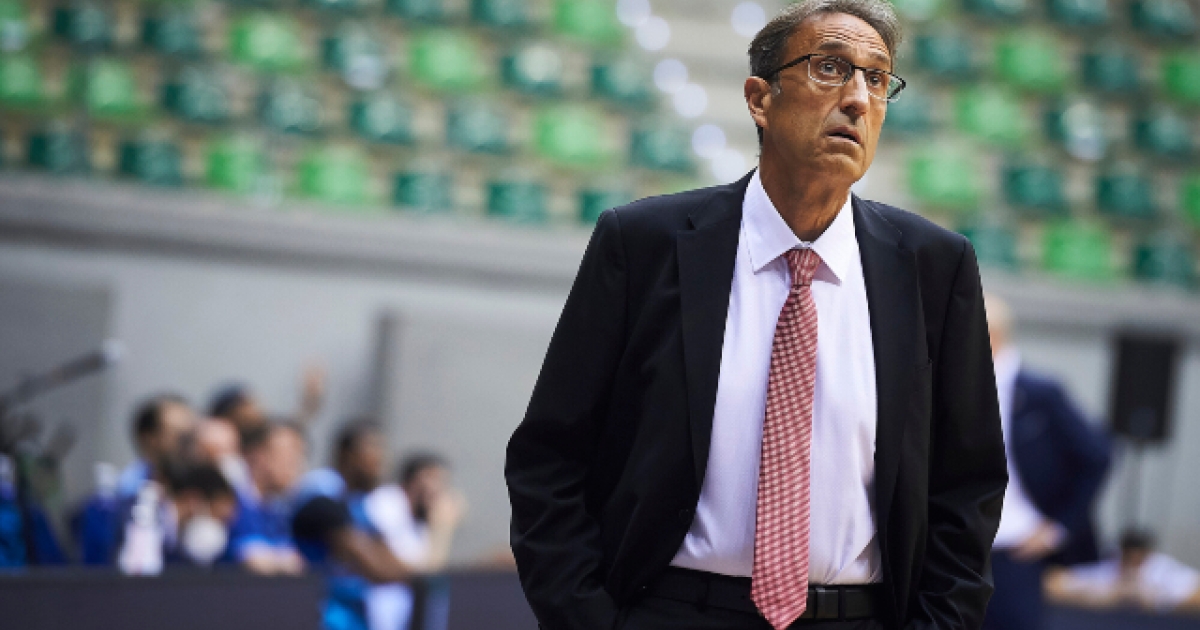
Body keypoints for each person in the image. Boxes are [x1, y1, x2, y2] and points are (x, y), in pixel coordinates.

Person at [504, 1, 1008, 629]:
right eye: (830, 68)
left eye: (877, 78)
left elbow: (969, 484)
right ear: (759, 99)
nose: (857, 99)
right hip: (672, 610)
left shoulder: (935, 266)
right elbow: (550, 457)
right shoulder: (643, 244)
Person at [983, 294, 1111, 630]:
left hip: (1015, 551)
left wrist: (1058, 528)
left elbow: (1097, 456)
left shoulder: (1040, 392)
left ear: (990, 335)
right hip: (957, 549)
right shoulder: (947, 386)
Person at [291, 420, 464, 630]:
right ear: (346, 454)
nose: (381, 458)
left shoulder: (361, 504)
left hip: (356, 620)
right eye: (372, 447)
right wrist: (441, 532)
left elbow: (392, 560)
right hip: (321, 618)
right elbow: (379, 569)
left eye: (383, 448)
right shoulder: (321, 495)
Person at [363, 452, 456, 630]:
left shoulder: (421, 522)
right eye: (433, 478)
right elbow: (422, 573)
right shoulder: (387, 502)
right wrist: (443, 529)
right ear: (414, 479)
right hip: (373, 614)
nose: (439, 489)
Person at [1045, 529, 1200, 614]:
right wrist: (1102, 597)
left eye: (1138, 560)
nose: (1132, 564)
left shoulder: (1163, 569)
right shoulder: (1109, 568)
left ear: (1148, 555)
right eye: (1129, 558)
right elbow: (1052, 582)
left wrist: (1157, 601)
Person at [227, 421, 308, 575]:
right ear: (259, 456)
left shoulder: (279, 509)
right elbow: (252, 561)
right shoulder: (231, 500)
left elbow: (295, 562)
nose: (296, 466)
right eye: (290, 456)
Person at [117, 394, 196, 497]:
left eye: (193, 434)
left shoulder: (202, 482)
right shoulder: (130, 492)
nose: (190, 445)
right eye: (180, 436)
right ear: (150, 439)